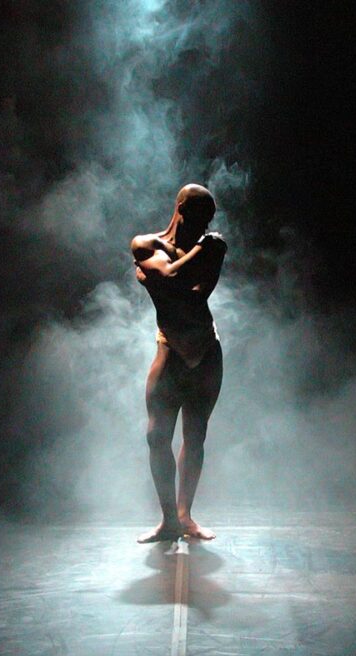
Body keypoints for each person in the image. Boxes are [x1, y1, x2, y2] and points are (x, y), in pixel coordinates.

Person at [131, 184, 227, 543]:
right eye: (200, 216)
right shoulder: (147, 244)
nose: (205, 226)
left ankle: (185, 517)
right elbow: (173, 278)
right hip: (170, 349)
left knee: (195, 434)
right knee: (157, 436)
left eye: (209, 220)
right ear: (181, 208)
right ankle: (168, 520)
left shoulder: (209, 249)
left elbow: (196, 294)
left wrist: (162, 282)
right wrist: (202, 252)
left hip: (206, 350)